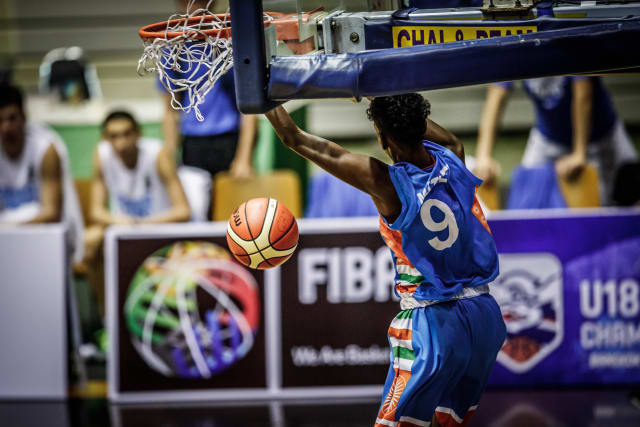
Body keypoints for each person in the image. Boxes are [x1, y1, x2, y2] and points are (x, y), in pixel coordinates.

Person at [265, 94, 506, 427]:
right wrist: (382, 92)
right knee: (448, 423)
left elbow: (294, 138)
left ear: (382, 138)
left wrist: (258, 89)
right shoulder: (453, 154)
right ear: (422, 124)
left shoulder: (387, 183)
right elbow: (423, 127)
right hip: (484, 317)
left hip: (433, 321)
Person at [83, 110, 190, 317]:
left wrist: (140, 224)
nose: (121, 143)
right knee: (90, 240)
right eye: (113, 136)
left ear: (138, 134)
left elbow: (183, 211)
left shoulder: (158, 154)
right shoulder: (102, 155)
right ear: (105, 139)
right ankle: (108, 317)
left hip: (159, 231)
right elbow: (95, 211)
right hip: (124, 231)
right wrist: (120, 222)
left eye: (126, 134)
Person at [474, 76, 638, 205]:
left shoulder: (567, 44)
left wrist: (579, 152)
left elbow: (583, 93)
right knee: (526, 197)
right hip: (547, 138)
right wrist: (483, 156)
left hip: (600, 137)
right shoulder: (516, 50)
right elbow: (496, 96)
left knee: (616, 202)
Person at [160, 0, 258, 184]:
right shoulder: (173, 48)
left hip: (228, 139)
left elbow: (249, 110)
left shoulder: (230, 44)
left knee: (231, 200)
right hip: (192, 141)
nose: (194, 4)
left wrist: (244, 157)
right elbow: (170, 111)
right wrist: (171, 153)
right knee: (194, 199)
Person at [0, 84, 83, 260]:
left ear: (24, 117)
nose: (6, 128)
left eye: (11, 119)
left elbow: (51, 213)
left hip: (43, 239)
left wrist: (9, 228)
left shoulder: (45, 149)